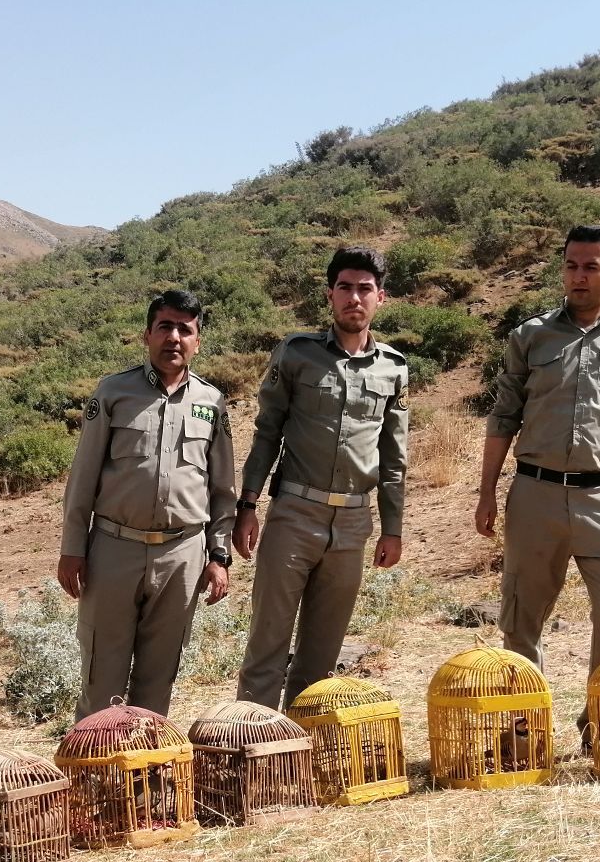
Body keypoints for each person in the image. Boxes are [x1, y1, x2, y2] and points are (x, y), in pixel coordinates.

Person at [473, 223, 600, 737]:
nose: (579, 276)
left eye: (591, 267)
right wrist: (487, 491)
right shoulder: (530, 335)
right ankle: (525, 726)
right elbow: (503, 417)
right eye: (571, 265)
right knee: (521, 614)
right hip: (534, 492)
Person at [234, 246, 409, 710]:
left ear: (381, 298)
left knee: (322, 654)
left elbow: (394, 458)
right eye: (345, 288)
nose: (355, 297)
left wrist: (392, 528)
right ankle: (252, 751)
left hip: (353, 523)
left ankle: (302, 755)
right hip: (294, 513)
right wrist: (247, 506)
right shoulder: (297, 354)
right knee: (268, 644)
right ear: (330, 294)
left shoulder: (394, 368)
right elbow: (267, 431)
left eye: (365, 289)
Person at [58, 289, 237, 719]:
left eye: (185, 329)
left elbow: (222, 489)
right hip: (114, 550)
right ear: (147, 335)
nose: (174, 337)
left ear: (198, 341)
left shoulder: (211, 402)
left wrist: (219, 555)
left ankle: (147, 776)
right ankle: (96, 775)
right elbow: (82, 478)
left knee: (158, 680)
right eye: (165, 327)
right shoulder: (114, 392)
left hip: (182, 556)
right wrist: (72, 549)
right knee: (102, 679)